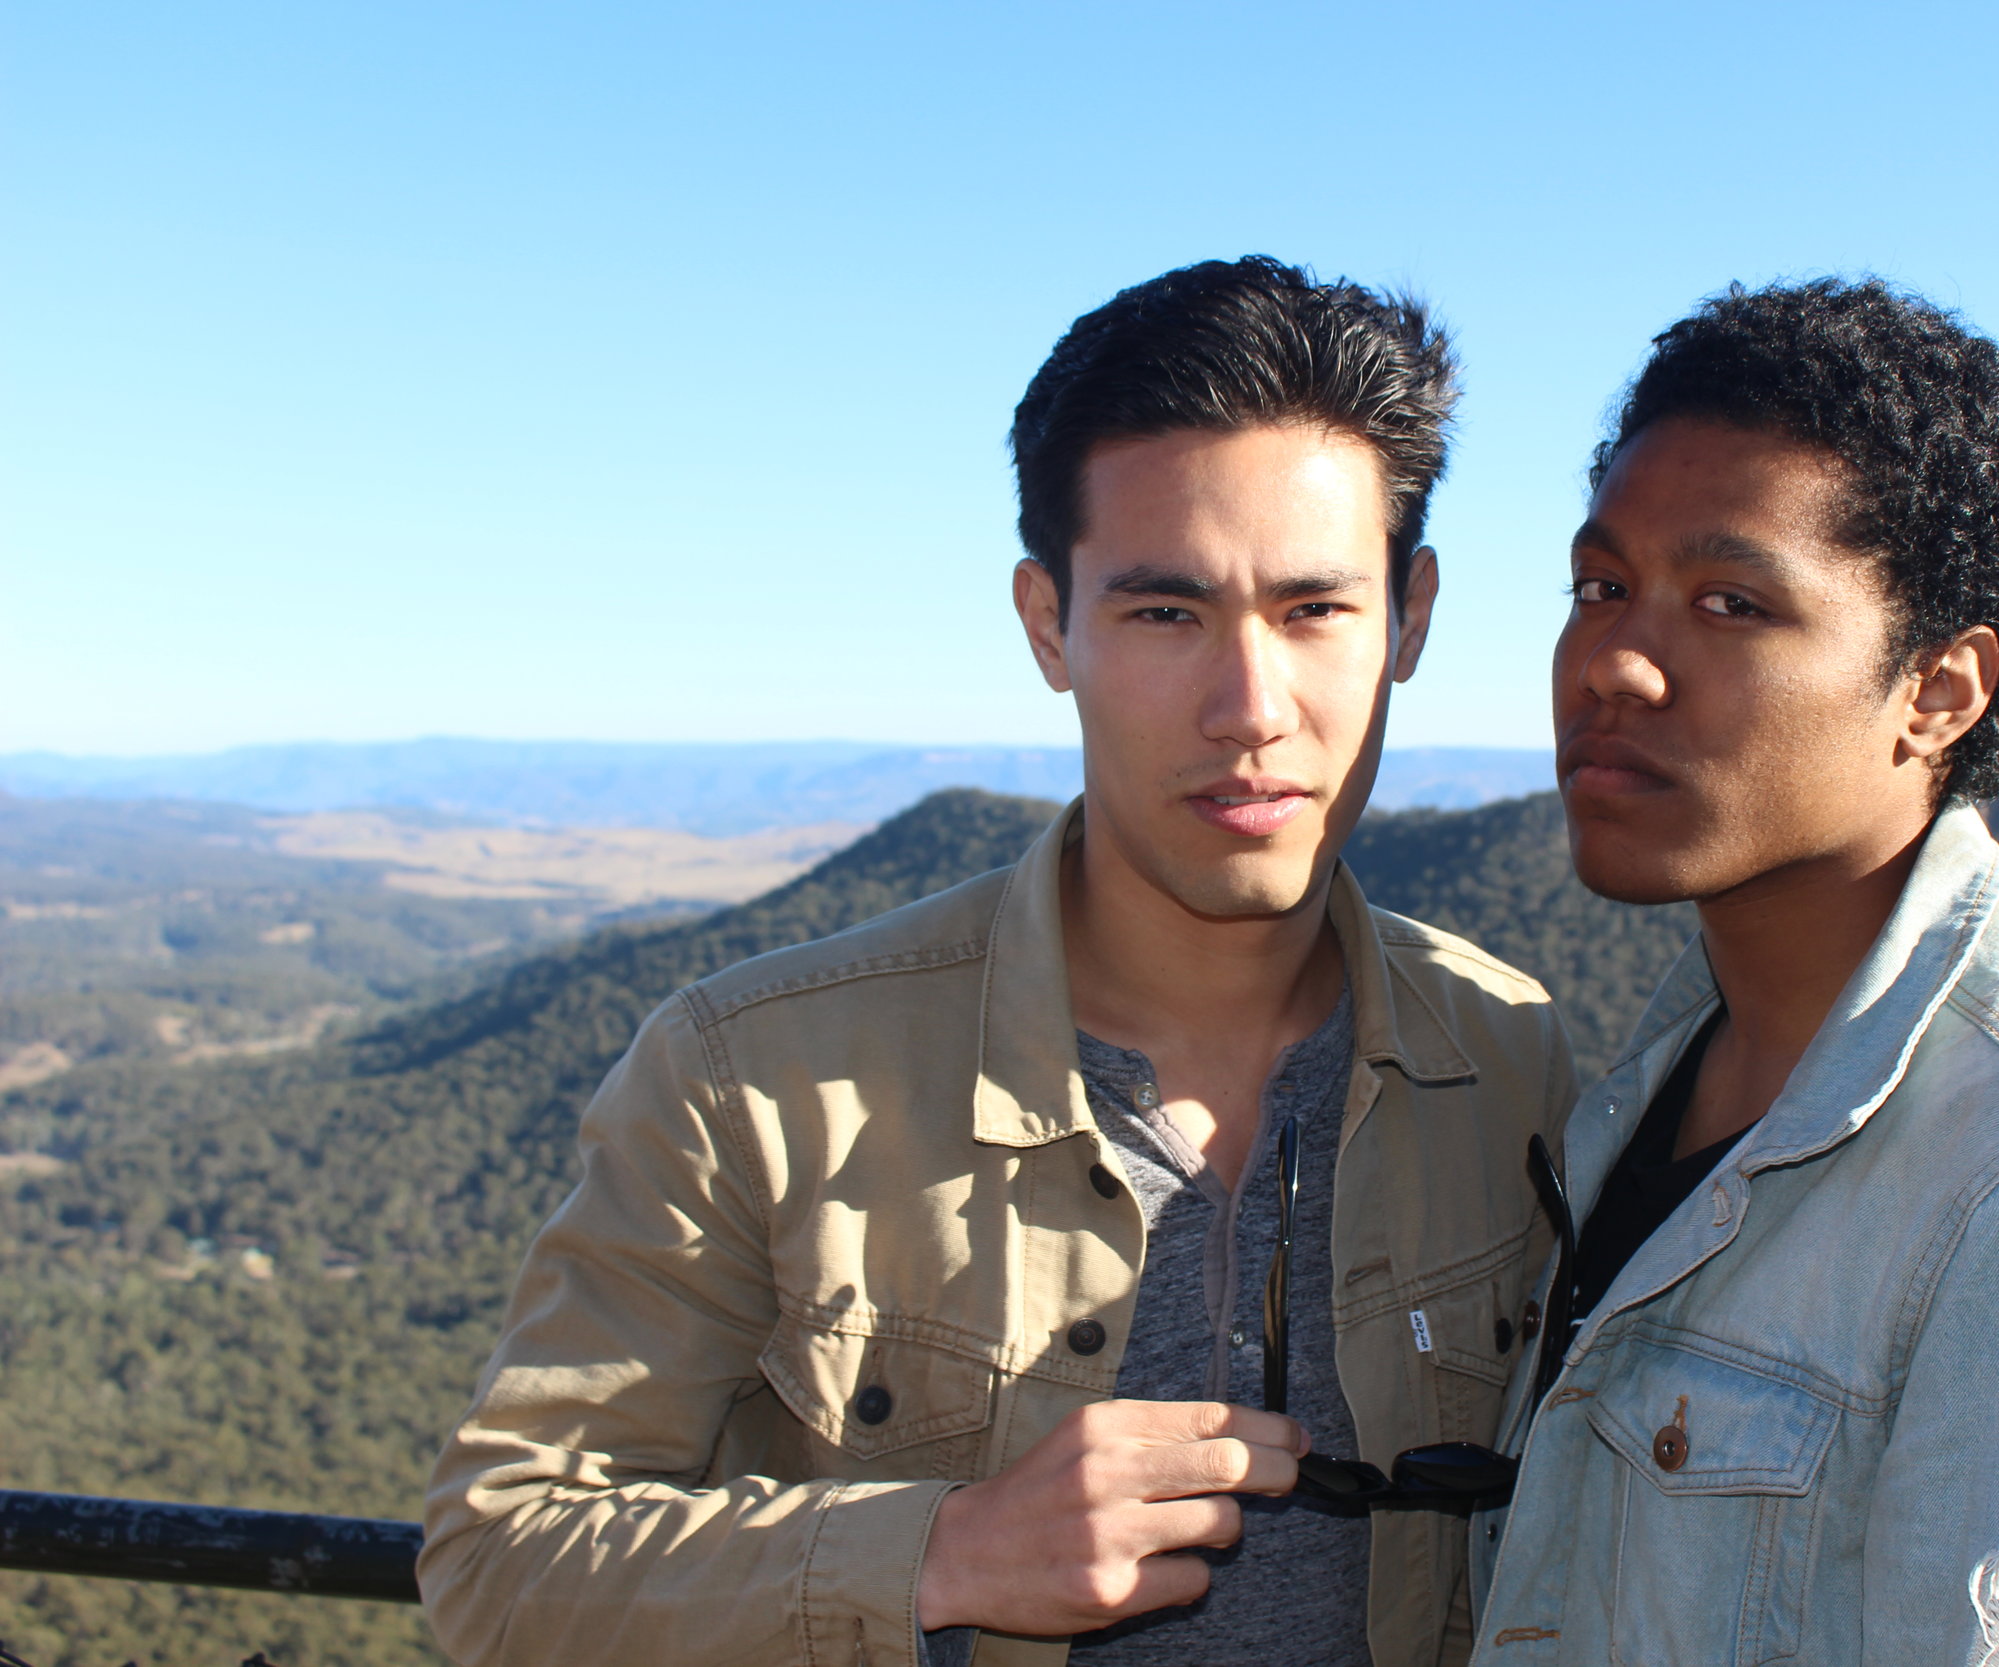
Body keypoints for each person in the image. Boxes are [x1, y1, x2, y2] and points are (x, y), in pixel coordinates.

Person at [418, 256, 1576, 1667]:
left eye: (1314, 610)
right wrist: (942, 1551)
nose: (1250, 707)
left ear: (1414, 619)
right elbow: (498, 1561)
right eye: (1166, 614)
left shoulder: (1515, 1063)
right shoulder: (757, 1079)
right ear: (1049, 626)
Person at [1467, 279, 1999, 1667]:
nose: (1613, 657)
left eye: (1732, 603)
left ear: (1939, 692)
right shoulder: (1660, 1083)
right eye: (1601, 585)